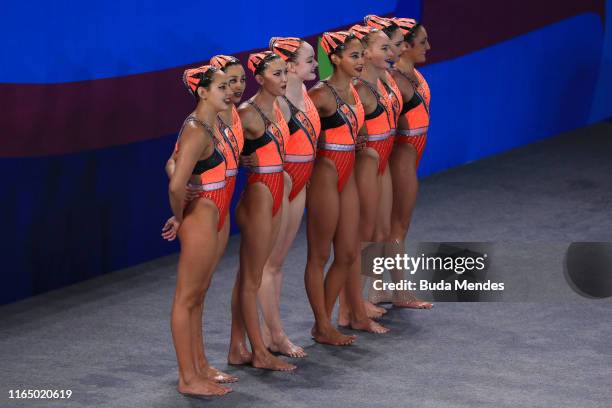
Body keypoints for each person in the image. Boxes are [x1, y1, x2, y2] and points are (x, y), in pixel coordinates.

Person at [161, 65, 234, 396]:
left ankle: (200, 366)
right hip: (202, 213)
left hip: (216, 209)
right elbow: (177, 186)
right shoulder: (197, 129)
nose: (230, 90)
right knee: (187, 297)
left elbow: (172, 161)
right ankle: (187, 378)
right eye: (222, 86)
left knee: (199, 295)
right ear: (203, 92)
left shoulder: (211, 123)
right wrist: (179, 216)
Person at [227, 51, 296, 371]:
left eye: (285, 73)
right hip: (258, 196)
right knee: (251, 279)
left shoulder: (279, 107)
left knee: (248, 277)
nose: (284, 80)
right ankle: (260, 352)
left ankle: (236, 347)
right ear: (260, 78)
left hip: (275, 191)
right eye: (277, 74)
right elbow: (224, 150)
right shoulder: (247, 113)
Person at [255, 37, 320, 358]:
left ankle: (270, 332)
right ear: (291, 66)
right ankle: (274, 334)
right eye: (310, 61)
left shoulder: (305, 94)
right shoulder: (277, 104)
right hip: (282, 184)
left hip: (300, 183)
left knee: (277, 264)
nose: (316, 66)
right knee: (269, 264)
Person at [336, 24, 394, 332]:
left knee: (371, 235)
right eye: (384, 48)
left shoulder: (376, 84)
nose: (391, 53)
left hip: (378, 163)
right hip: (362, 168)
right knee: (358, 239)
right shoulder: (356, 90)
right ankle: (349, 308)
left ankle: (357, 301)